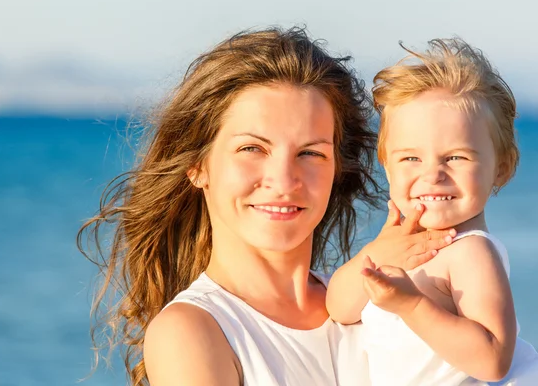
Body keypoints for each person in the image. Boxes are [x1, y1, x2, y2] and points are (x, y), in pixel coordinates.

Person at [77, 27, 457, 386]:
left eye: (310, 153)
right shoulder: (192, 331)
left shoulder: (380, 301)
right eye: (252, 149)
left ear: (338, 170)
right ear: (197, 165)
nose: (284, 179)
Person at [327, 38, 538, 385]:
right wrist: (375, 254)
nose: (432, 174)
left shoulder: (470, 251)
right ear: (388, 167)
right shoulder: (394, 245)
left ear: (502, 167)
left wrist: (413, 306)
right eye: (411, 158)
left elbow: (492, 360)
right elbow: (339, 307)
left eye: (456, 157)